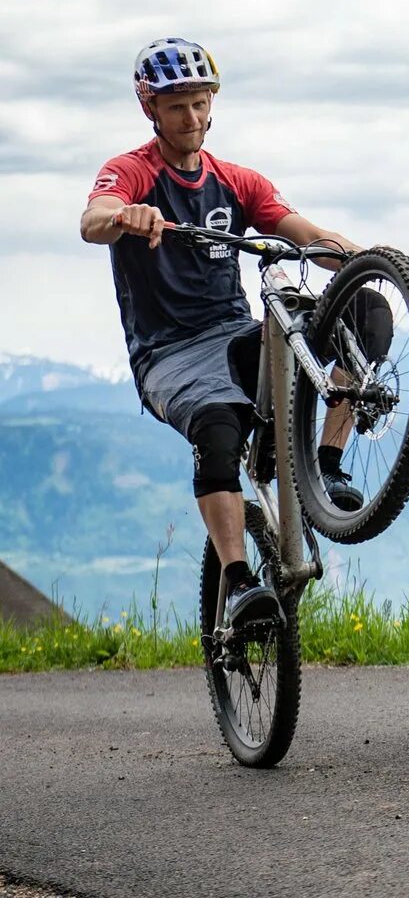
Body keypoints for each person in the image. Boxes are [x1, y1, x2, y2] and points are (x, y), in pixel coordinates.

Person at [79, 37, 375, 627]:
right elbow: (92, 221)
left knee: (363, 312)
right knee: (218, 433)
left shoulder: (237, 181)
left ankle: (329, 462)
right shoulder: (132, 171)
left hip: (237, 334)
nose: (191, 118)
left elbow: (310, 238)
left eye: (200, 103)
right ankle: (238, 583)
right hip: (170, 355)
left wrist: (375, 260)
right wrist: (124, 216)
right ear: (151, 110)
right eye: (176, 106)